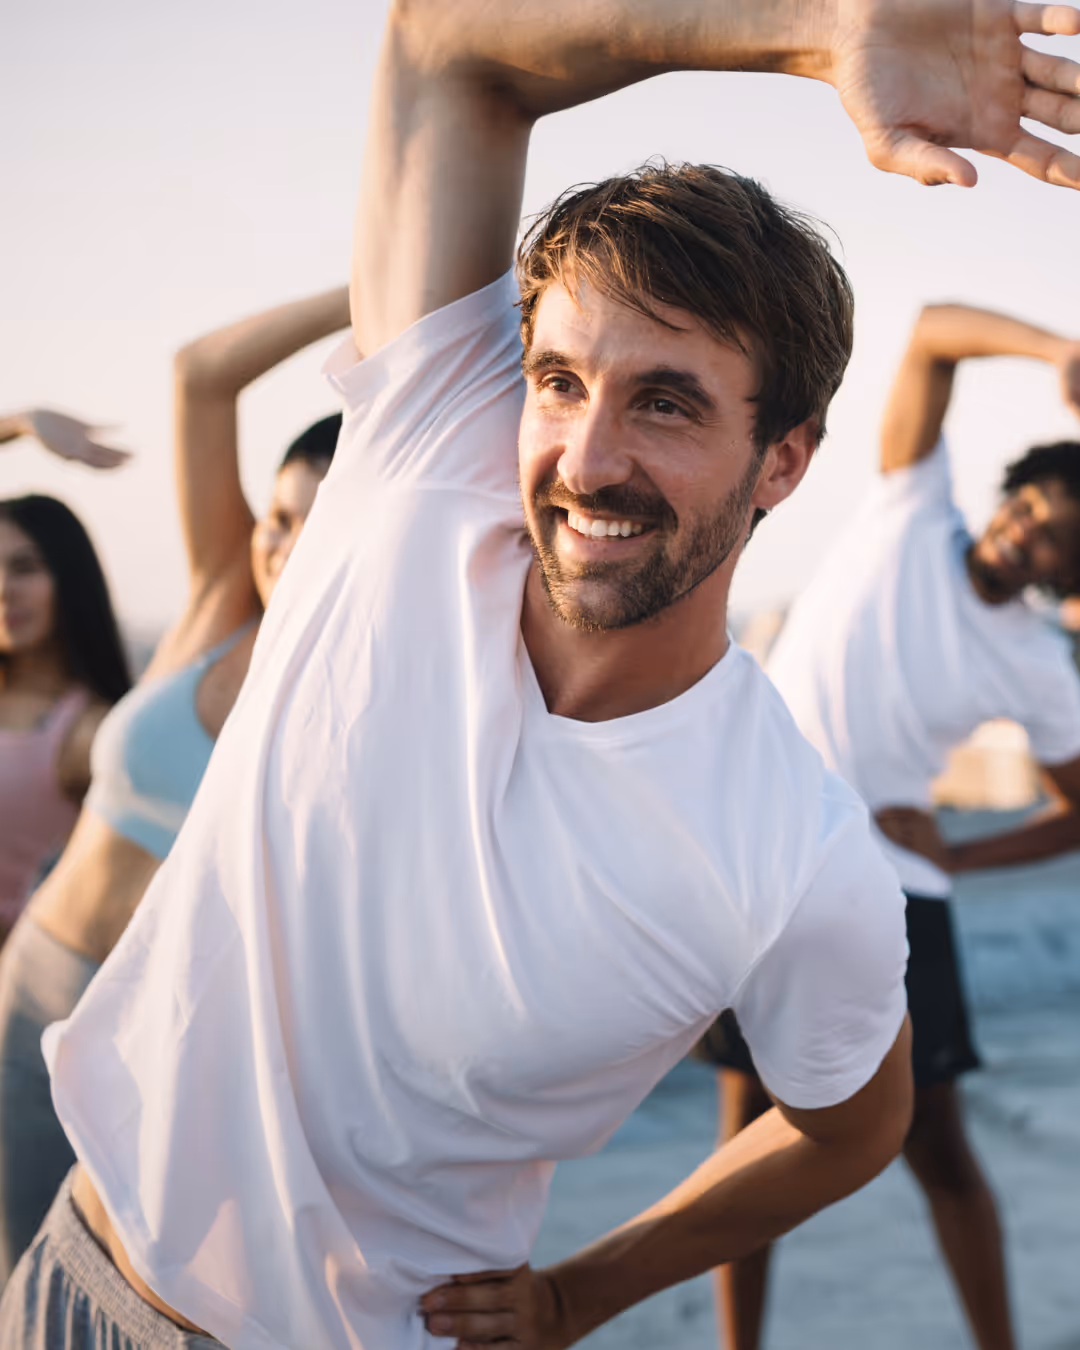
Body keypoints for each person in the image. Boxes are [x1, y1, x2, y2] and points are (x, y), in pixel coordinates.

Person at [7, 2, 1080, 1347]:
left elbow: (854, 1126)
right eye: (561, 379)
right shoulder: (421, 453)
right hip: (61, 1274)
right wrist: (816, 31)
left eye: (669, 401)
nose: (584, 457)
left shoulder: (796, 857)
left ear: (786, 460)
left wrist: (587, 1287)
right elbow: (444, 45)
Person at [703, 303, 1080, 1350]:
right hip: (767, 850)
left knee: (938, 1147)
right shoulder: (912, 508)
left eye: (1056, 540)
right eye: (1031, 506)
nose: (1026, 533)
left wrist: (956, 849)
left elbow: (1076, 818)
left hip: (896, 893)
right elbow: (927, 335)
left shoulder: (1038, 667)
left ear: (1067, 574)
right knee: (747, 1140)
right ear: (1010, 491)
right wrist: (1060, 354)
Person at [0, 288, 348, 1288]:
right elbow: (202, 376)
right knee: (16, 1288)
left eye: (314, 529)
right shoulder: (221, 603)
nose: (280, 548)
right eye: (276, 520)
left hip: (175, 1057)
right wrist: (383, 288)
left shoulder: (366, 699)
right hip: (40, 992)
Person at [0, 407, 133, 935]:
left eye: (25, 568)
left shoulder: (89, 731)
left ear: (68, 581)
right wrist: (19, 424)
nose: (3, 588)